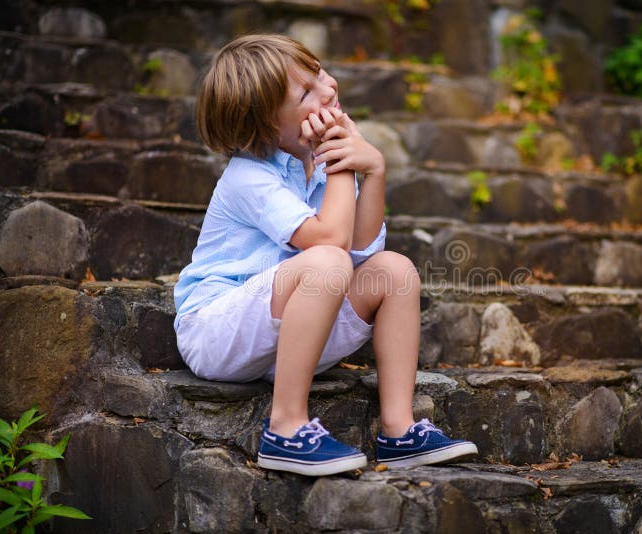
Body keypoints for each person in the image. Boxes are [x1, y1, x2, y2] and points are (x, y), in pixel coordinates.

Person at [173, 34, 477, 476]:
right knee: (327, 260)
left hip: (286, 339)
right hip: (218, 332)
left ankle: (398, 428)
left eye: (318, 72)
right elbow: (332, 245)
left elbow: (362, 250)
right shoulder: (248, 178)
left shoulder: (317, 166)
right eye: (305, 93)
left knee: (395, 271)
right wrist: (345, 166)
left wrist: (373, 172)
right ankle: (286, 428)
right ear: (264, 127)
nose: (328, 88)